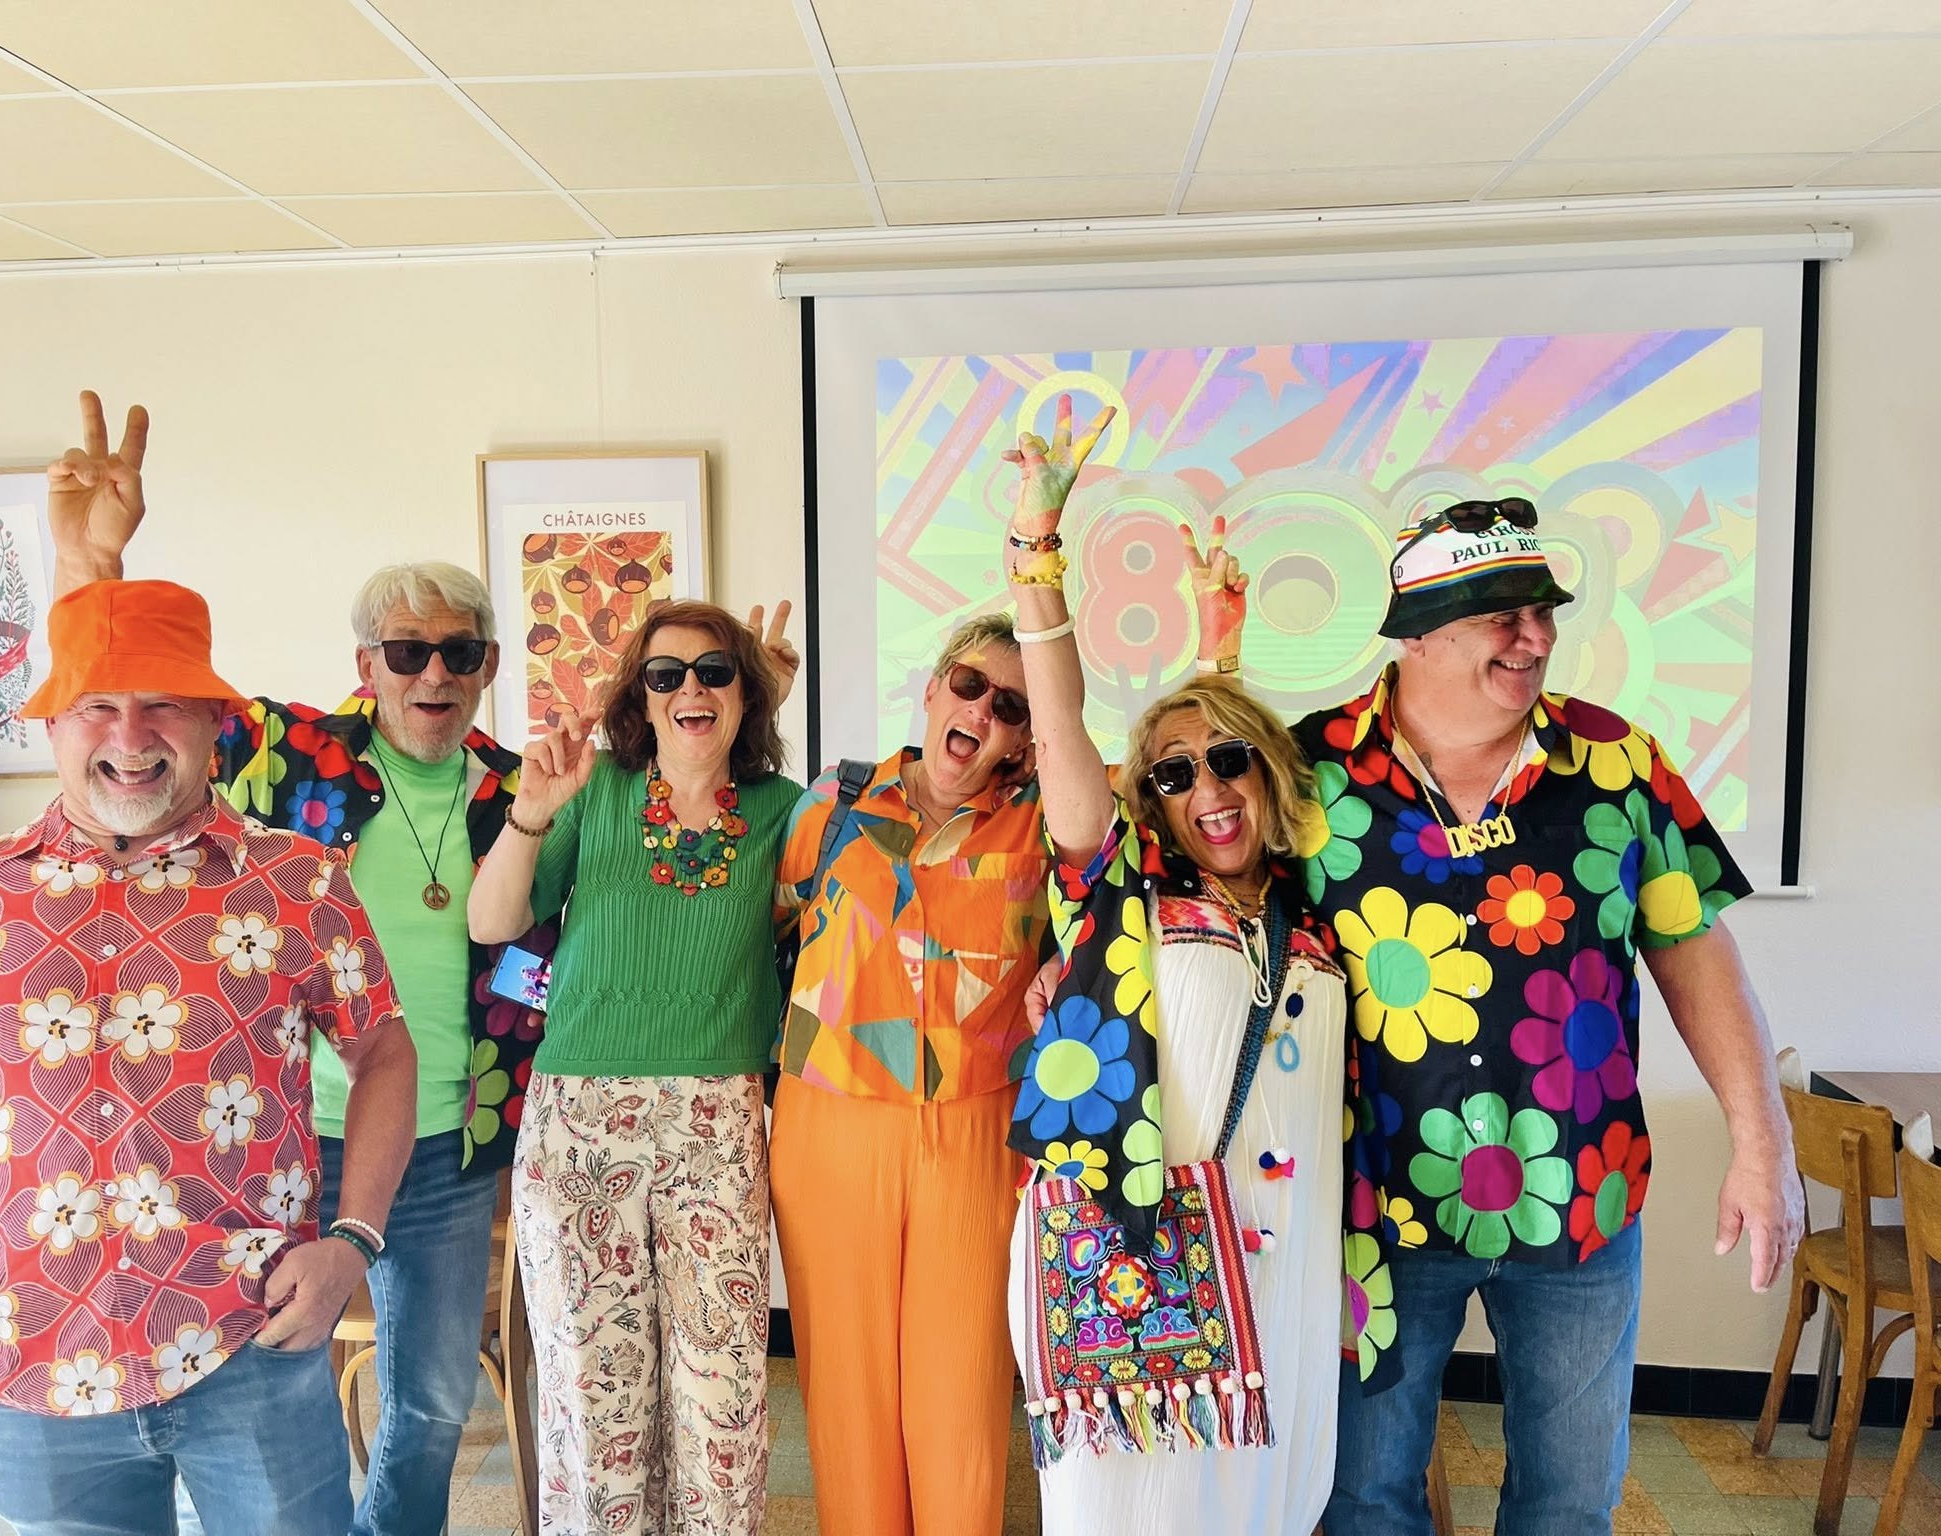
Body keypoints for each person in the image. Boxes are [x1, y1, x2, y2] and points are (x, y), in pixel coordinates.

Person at [41, 390, 548, 1536]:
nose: (433, 673)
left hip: (444, 1145)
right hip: (274, 1134)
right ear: (365, 660)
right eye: (408, 650)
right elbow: (127, 724)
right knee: (270, 1390)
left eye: (457, 653)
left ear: (487, 665)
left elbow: (541, 948)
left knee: (427, 1396)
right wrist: (92, 562)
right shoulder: (291, 756)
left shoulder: (524, 793)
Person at [1306, 497, 1804, 1534]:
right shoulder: (1303, 774)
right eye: (1501, 612)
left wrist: (1762, 1143)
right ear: (1415, 630)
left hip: (1580, 1201)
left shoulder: (1616, 762)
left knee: (1570, 1505)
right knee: (1360, 1500)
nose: (1534, 635)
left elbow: (1692, 949)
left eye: (1543, 609)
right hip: (1369, 1210)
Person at [0, 574, 418, 1536]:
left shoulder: (296, 883)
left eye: (163, 705)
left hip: (250, 1335)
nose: (131, 737)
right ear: (52, 723)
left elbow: (382, 1050)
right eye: (98, 705)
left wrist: (356, 1241)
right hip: (37, 1346)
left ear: (215, 719)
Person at [999, 398, 1363, 1534]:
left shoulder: (1313, 911)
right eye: (1169, 776)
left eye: (1229, 763)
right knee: (1138, 1510)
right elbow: (1062, 732)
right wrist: (1035, 551)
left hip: (1284, 1263)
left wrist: (1220, 650)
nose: (1205, 790)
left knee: (1259, 1505)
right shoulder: (1121, 900)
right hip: (1139, 1245)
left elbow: (1217, 746)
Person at [469, 598, 801, 1536]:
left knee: (723, 1395)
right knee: (594, 1386)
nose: (690, 688)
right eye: (666, 676)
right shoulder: (599, 791)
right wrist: (532, 814)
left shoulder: (783, 811)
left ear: (747, 692)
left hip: (717, 1122)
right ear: (639, 699)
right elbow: (493, 923)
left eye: (714, 672)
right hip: (579, 1119)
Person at [768, 607, 1046, 1536]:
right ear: (932, 690)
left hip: (973, 1132)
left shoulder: (1042, 826)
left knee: (959, 1406)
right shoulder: (830, 806)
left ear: (1027, 734)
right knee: (846, 1405)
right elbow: (737, 918)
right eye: (969, 684)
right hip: (828, 1124)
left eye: (1012, 704)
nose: (983, 710)